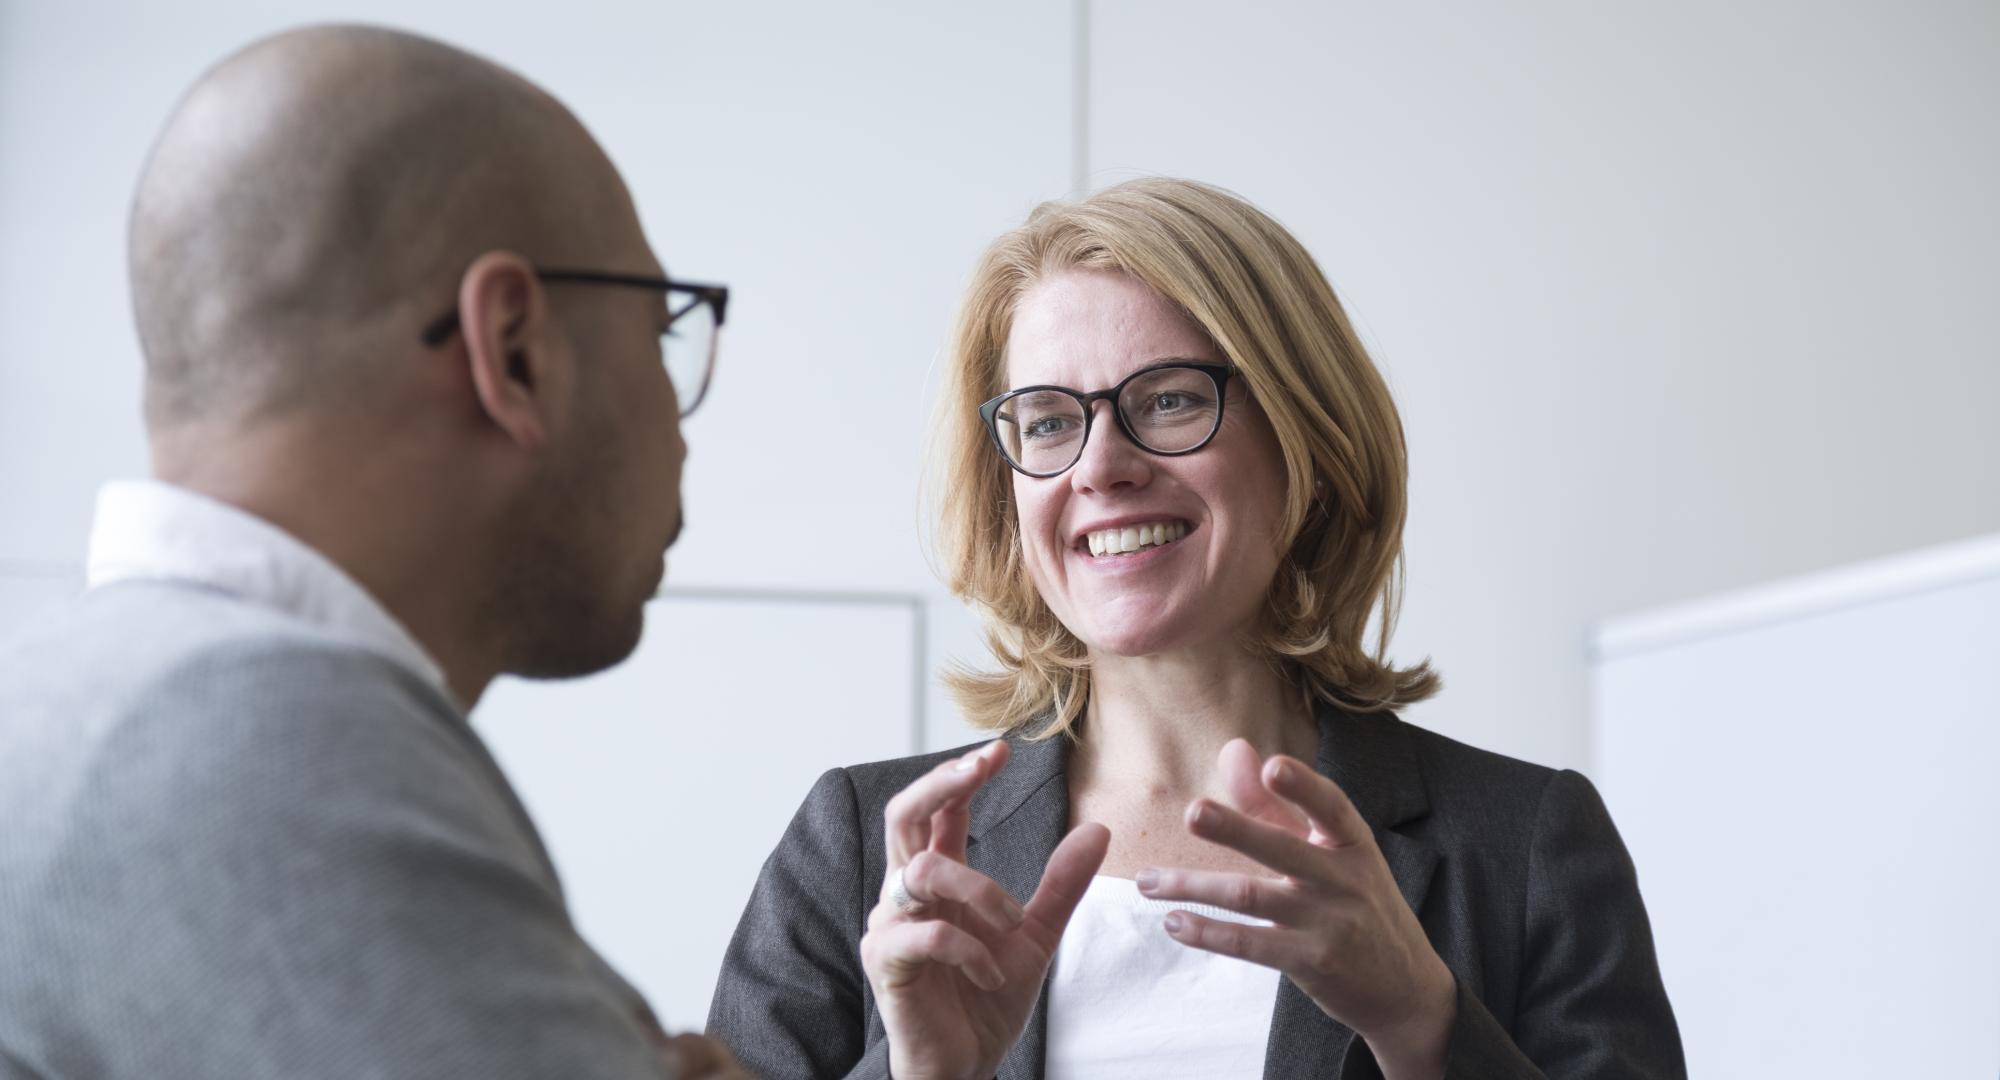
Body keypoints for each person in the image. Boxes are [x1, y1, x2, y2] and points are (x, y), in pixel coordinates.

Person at [708, 178, 1685, 1078]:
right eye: (1047, 421)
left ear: (1306, 436)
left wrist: (1422, 1025)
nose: (1099, 467)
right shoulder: (859, 855)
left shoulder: (1521, 848)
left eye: (1167, 400)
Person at [0, 25, 746, 1079]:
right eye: (661, 332)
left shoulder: (89, 698)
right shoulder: (250, 734)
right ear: (514, 351)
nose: (678, 430)